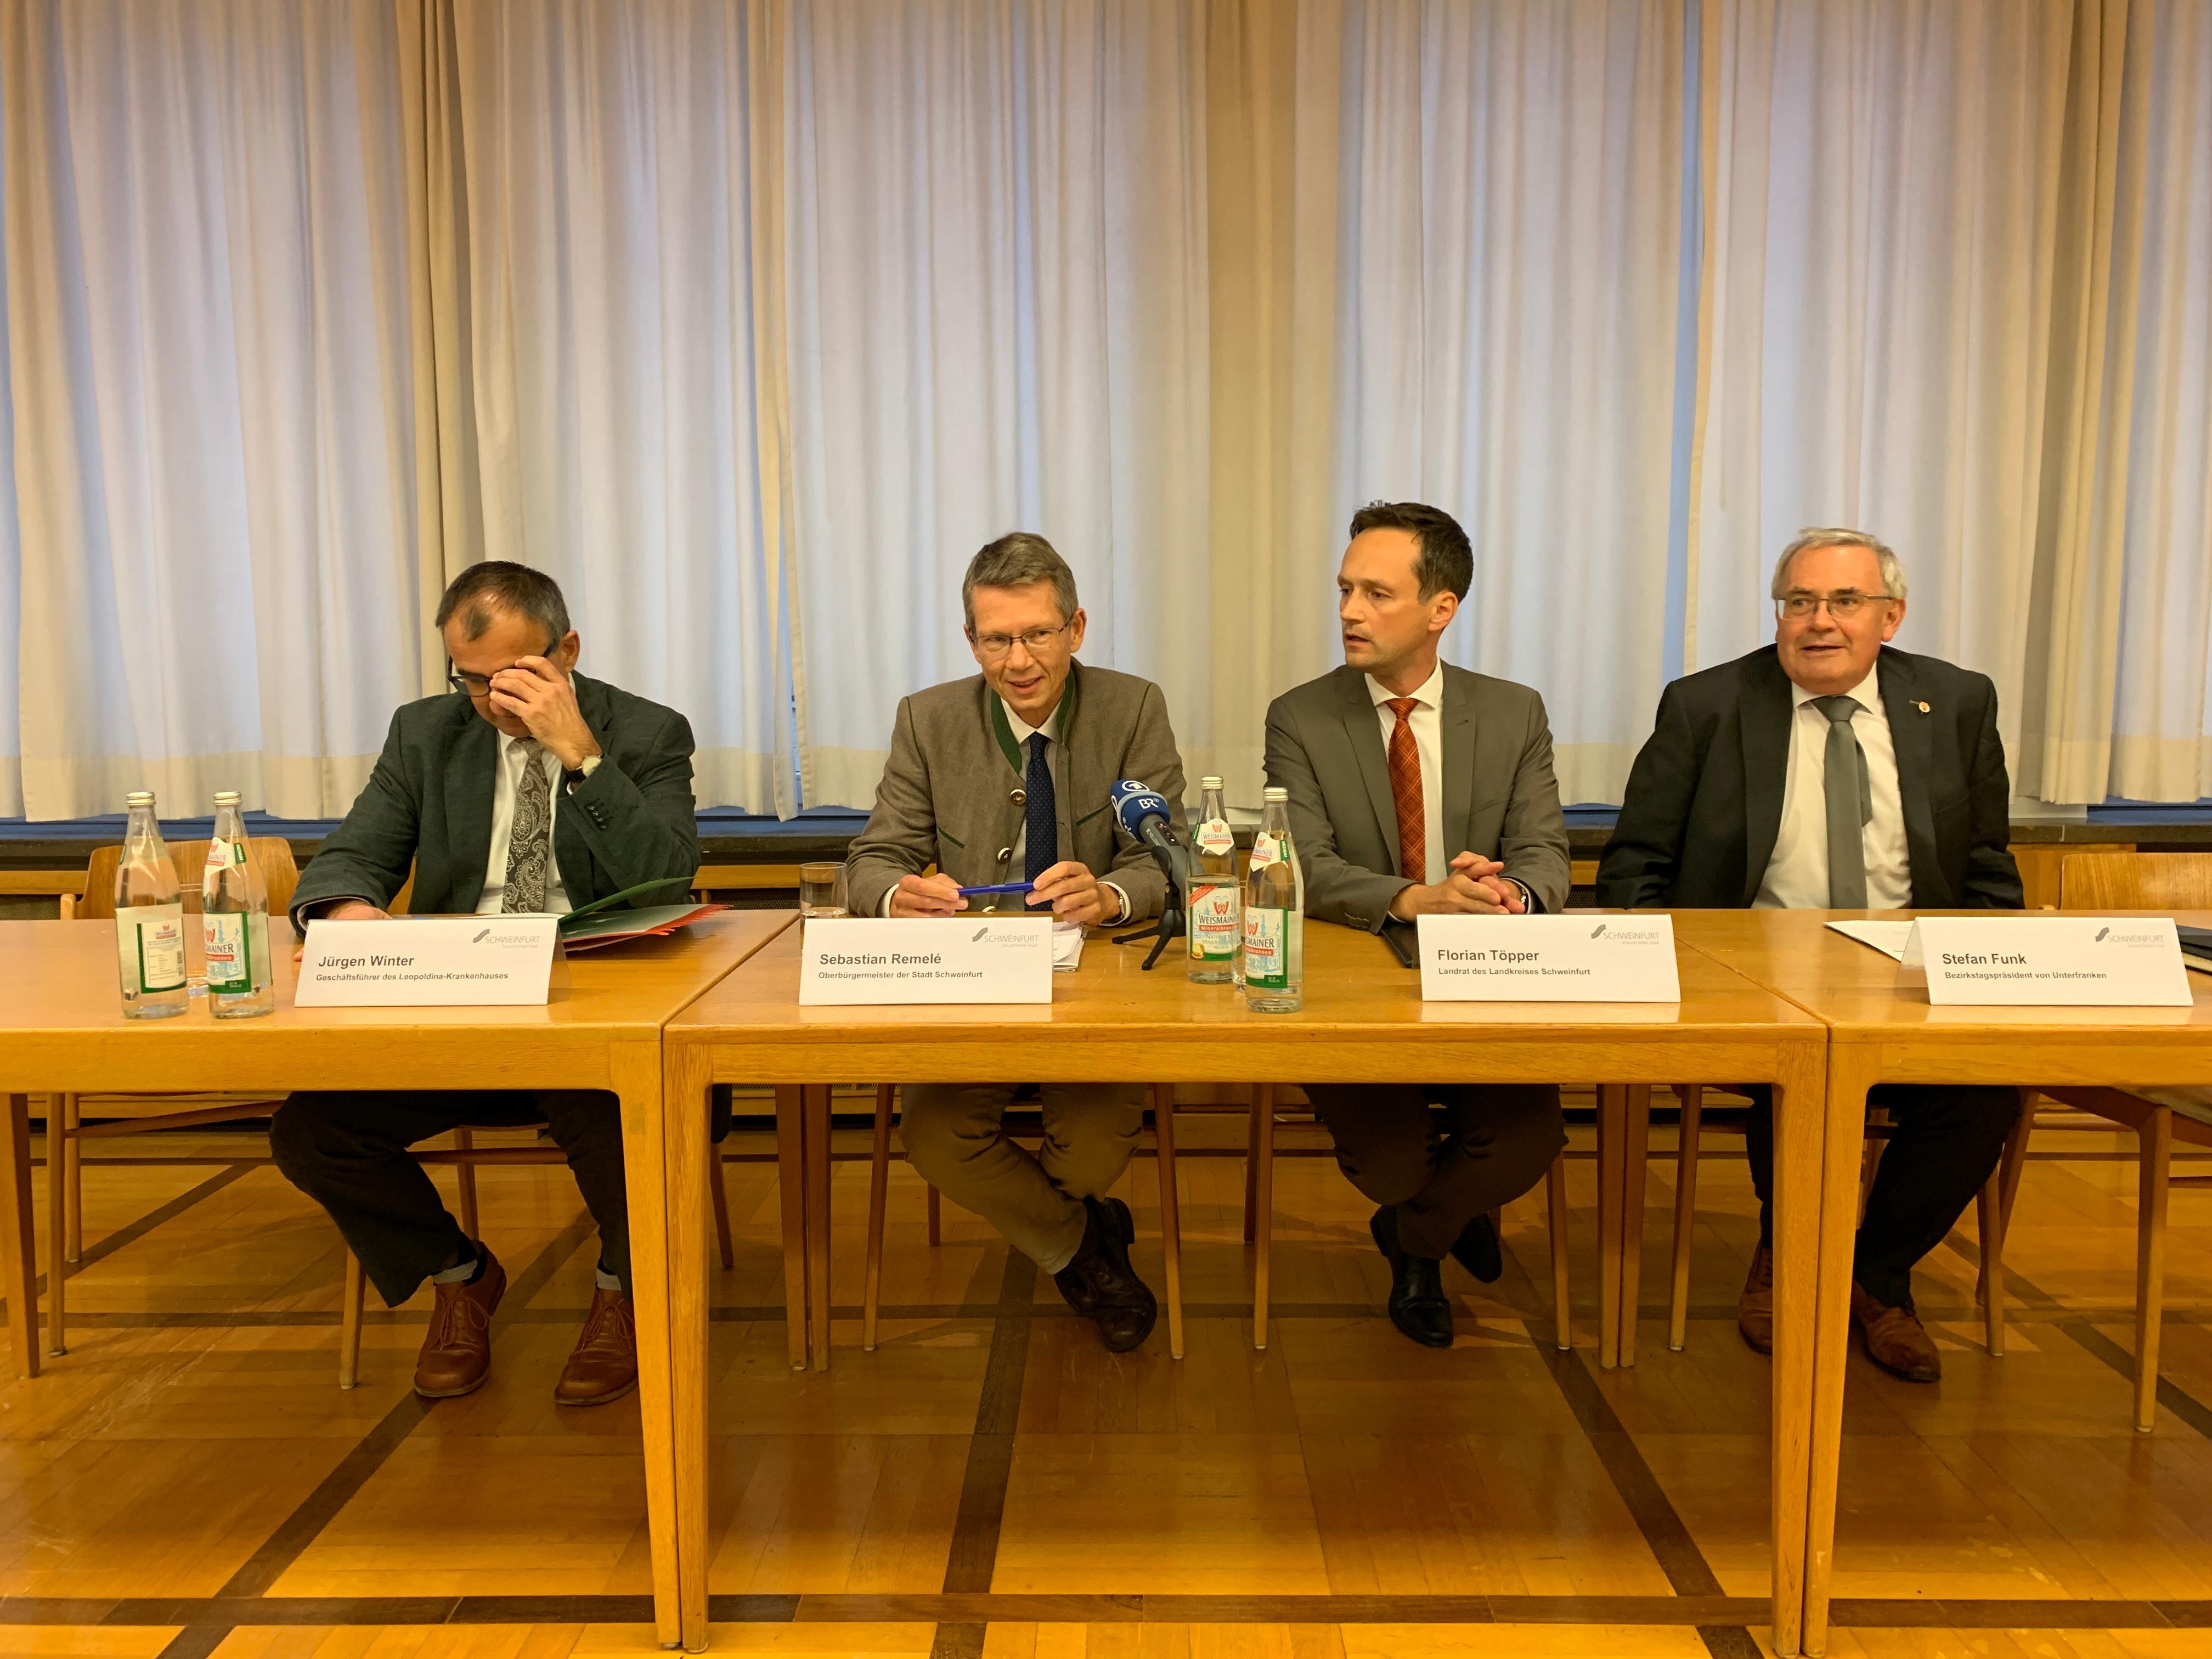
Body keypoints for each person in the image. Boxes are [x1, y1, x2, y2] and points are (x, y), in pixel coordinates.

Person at [1598, 526, 2022, 1383]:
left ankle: (1869, 1271)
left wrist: (1985, 976)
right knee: (1797, 1065)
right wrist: (1681, 977)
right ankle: (1788, 1248)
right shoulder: (1708, 705)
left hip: (1908, 976)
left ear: (1890, 617)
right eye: (1800, 602)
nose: (1819, 622)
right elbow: (1633, 868)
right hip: (1750, 980)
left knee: (1985, 1092)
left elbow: (1986, 867)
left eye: (1844, 602)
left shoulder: (1958, 700)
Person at [272, 561, 700, 1404]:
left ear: (566, 651)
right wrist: (345, 911)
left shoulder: (647, 733)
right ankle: (458, 1273)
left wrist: (580, 755)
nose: (490, 699)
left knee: (615, 1103)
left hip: (590, 999)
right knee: (312, 1131)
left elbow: (666, 885)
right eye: (469, 678)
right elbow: (354, 853)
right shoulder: (426, 733)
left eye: (512, 676)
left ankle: (624, 1289)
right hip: (458, 999)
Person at [844, 533, 1186, 1352]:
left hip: (1095, 983)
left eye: (1038, 634)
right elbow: (872, 860)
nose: (1019, 659)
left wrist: (1108, 894)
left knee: (1097, 1148)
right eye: (997, 639)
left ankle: (1069, 1218)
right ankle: (1084, 1249)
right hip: (973, 980)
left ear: (1076, 627)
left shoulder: (1133, 706)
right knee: (933, 1136)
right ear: (971, 641)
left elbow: (1177, 856)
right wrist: (899, 895)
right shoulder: (927, 719)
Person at [1264, 501, 1570, 1348]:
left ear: (1442, 608)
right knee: (1391, 1160)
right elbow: (1304, 864)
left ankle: (1416, 1238)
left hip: (1489, 975)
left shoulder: (1512, 712)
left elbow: (1545, 853)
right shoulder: (1301, 715)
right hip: (1358, 978)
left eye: (1376, 593)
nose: (1349, 612)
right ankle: (1438, 1219)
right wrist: (1412, 898)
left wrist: (1508, 896)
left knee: (1526, 1141)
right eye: (1343, 589)